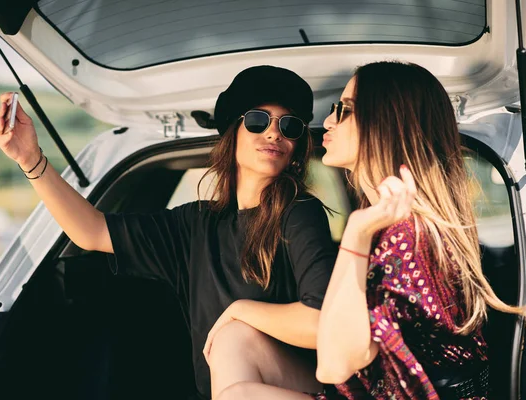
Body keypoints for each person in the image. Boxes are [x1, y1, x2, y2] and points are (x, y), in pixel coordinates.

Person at [0, 65, 337, 399]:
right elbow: (92, 231)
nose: (274, 133)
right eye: (258, 120)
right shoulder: (195, 224)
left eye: (289, 126)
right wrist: (30, 159)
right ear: (232, 133)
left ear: (296, 147)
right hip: (227, 392)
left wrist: (239, 310)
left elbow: (322, 323)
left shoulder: (298, 213)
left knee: (234, 337)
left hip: (301, 384)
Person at [214, 61, 526, 400]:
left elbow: (333, 365)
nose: (328, 122)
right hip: (377, 390)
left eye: (343, 110)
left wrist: (355, 235)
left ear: (384, 122)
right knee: (236, 339)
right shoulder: (390, 224)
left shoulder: (407, 240)